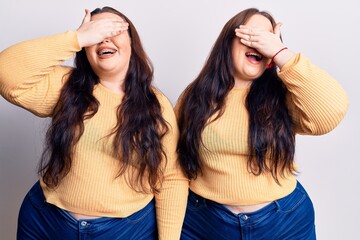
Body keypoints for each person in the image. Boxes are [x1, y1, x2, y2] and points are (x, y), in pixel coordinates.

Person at [0, 6, 188, 240]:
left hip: (124, 231)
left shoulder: (156, 104)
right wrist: (77, 37)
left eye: (113, 29)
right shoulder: (66, 86)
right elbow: (5, 73)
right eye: (97, 32)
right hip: (47, 222)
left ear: (132, 44)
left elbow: (170, 178)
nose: (104, 37)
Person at [175, 8, 349, 240]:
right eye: (251, 35)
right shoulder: (194, 96)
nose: (258, 43)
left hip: (284, 223)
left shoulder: (284, 96)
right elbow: (173, 162)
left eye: (266, 39)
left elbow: (331, 111)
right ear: (228, 43)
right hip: (204, 222)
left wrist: (281, 53)